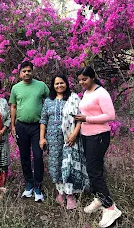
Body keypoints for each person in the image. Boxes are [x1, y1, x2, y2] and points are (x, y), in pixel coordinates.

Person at [75, 66, 122, 228]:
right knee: (94, 169)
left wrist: (86, 118)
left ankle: (110, 207)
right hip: (88, 136)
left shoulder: (101, 93)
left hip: (99, 137)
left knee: (94, 172)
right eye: (80, 80)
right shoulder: (87, 92)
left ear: (92, 77)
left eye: (84, 79)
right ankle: (99, 198)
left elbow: (110, 115)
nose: (82, 82)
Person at [39, 75, 89, 209]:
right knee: (55, 166)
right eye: (56, 84)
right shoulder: (48, 101)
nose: (59, 86)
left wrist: (73, 135)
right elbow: (43, 120)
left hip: (69, 139)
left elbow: (79, 119)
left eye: (61, 83)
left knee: (68, 165)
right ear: (53, 86)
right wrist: (42, 138)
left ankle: (70, 195)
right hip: (52, 140)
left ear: (66, 84)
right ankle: (60, 192)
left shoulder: (73, 99)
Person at [9, 61, 49, 202]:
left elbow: (49, 101)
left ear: (33, 71)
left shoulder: (41, 86)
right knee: (24, 156)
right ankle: (29, 184)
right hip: (21, 126)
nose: (27, 73)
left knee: (38, 156)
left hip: (38, 127)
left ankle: (38, 187)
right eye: (24, 71)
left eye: (29, 71)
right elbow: (13, 106)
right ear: (20, 73)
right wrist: (13, 126)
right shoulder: (16, 88)